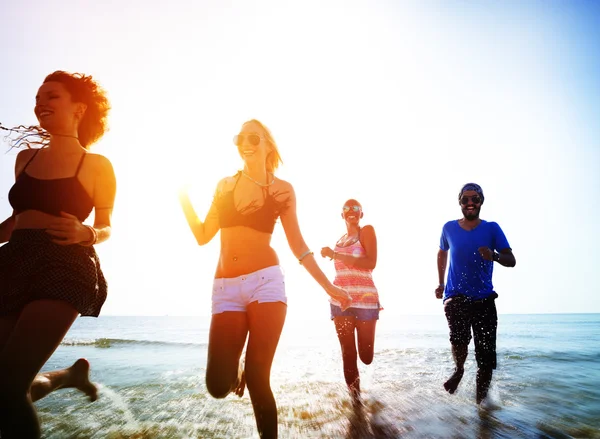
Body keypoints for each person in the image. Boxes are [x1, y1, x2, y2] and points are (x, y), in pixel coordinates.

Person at [179, 119, 351, 439]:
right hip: (226, 288)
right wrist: (184, 199)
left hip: (266, 283)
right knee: (217, 386)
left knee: (259, 379)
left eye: (253, 137)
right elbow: (203, 235)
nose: (246, 142)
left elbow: (297, 245)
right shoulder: (225, 186)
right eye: (240, 137)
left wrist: (328, 286)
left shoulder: (282, 190)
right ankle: (238, 368)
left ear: (268, 144)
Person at [0, 70, 116, 438]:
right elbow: (17, 220)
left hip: (63, 264)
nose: (40, 104)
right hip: (13, 262)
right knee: (5, 385)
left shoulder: (96, 165)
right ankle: (66, 377)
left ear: (79, 108)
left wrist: (89, 232)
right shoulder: (26, 159)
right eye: (37, 98)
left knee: (7, 386)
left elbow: (107, 226)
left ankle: (65, 377)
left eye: (51, 96)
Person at [435, 183, 516, 405]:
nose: (470, 203)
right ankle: (459, 369)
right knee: (459, 340)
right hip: (456, 296)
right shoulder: (449, 228)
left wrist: (494, 256)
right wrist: (440, 283)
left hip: (484, 299)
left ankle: (481, 407)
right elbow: (442, 252)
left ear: (481, 201)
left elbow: (511, 260)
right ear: (460, 202)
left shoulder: (492, 228)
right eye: (465, 199)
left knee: (486, 358)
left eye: (475, 199)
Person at [320, 199, 381, 402]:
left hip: (365, 301)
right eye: (347, 208)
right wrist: (334, 253)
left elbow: (370, 262)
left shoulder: (367, 231)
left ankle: (360, 400)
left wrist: (336, 254)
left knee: (366, 356)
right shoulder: (339, 240)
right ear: (342, 214)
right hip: (340, 301)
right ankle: (356, 403)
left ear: (361, 214)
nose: (351, 211)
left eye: (356, 208)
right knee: (348, 353)